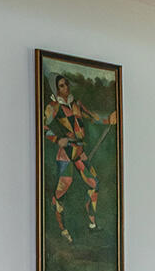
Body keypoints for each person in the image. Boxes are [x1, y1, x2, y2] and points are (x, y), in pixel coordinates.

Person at [44, 74, 117, 240]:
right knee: (63, 188)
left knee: (94, 184)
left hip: (79, 150)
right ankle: (62, 229)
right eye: (61, 86)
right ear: (56, 89)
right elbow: (41, 124)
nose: (65, 88)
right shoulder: (54, 107)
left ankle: (92, 224)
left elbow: (92, 117)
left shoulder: (76, 104)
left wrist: (108, 120)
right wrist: (56, 139)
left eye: (66, 84)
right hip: (66, 152)